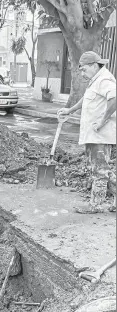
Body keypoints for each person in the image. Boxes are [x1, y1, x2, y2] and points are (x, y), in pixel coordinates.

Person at [58, 51, 116, 214]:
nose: (82, 73)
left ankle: (95, 205)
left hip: (100, 135)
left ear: (93, 65)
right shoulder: (96, 81)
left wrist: (103, 120)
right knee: (101, 169)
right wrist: (70, 110)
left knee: (99, 171)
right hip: (93, 134)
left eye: (83, 69)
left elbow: (115, 98)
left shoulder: (104, 79)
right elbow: (87, 98)